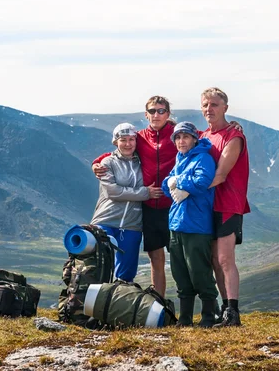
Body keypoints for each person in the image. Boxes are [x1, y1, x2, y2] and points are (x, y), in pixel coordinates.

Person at [92, 96, 175, 296]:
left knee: (177, 258)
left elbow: (204, 135)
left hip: (170, 207)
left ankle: (160, 303)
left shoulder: (177, 134)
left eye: (161, 111)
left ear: (168, 113)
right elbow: (116, 155)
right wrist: (96, 163)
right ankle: (94, 304)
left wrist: (230, 126)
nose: (157, 114)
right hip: (138, 212)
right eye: (152, 111)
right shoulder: (140, 138)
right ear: (146, 114)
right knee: (103, 264)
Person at [199, 87, 250, 327]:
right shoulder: (203, 136)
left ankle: (233, 312)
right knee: (213, 259)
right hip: (208, 205)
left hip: (228, 205)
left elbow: (220, 175)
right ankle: (225, 309)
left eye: (215, 105)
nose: (209, 109)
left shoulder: (234, 136)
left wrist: (186, 188)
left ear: (225, 108)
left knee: (225, 259)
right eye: (206, 105)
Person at [161, 122, 218, 328]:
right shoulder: (180, 159)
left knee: (199, 271)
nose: (181, 141)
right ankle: (185, 319)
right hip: (177, 224)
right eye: (177, 138)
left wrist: (178, 180)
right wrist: (172, 182)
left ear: (195, 138)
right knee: (180, 273)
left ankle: (208, 317)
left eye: (185, 137)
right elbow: (167, 186)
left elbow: (203, 182)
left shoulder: (203, 158)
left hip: (197, 224)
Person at [90, 123, 159, 282]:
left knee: (126, 274)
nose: (128, 144)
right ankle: (91, 304)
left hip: (132, 224)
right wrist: (145, 193)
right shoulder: (107, 163)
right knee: (99, 268)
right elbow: (112, 192)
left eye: (131, 139)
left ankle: (118, 303)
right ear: (115, 142)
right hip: (106, 220)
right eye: (123, 140)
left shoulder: (143, 162)